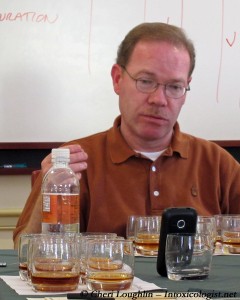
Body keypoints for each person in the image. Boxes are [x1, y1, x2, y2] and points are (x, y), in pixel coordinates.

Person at [13, 22, 240, 248]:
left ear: (186, 89)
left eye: (174, 86)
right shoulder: (76, 163)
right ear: (117, 79)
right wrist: (51, 186)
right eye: (145, 81)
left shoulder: (218, 164)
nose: (159, 99)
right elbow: (25, 250)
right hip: (106, 284)